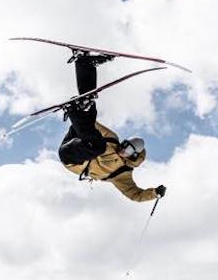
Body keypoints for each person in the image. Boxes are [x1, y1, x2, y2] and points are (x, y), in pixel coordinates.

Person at [57, 52, 166, 203]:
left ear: (133, 156)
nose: (122, 149)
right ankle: (85, 64)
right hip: (76, 139)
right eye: (124, 144)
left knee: (99, 146)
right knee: (90, 110)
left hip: (72, 158)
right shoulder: (112, 139)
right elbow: (90, 124)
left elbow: (135, 195)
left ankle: (74, 110)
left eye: (127, 150)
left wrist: (154, 193)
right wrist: (82, 111)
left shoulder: (122, 175)